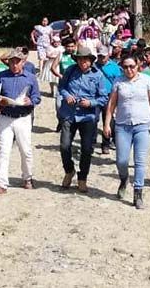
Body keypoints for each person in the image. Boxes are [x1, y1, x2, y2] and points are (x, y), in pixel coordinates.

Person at [104, 55, 150, 209]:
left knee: (140, 161)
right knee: (121, 160)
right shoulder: (118, 81)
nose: (129, 70)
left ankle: (138, 193)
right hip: (123, 125)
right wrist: (107, 124)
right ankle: (123, 179)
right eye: (126, 67)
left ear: (138, 65)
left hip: (142, 125)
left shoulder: (146, 80)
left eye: (132, 66)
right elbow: (112, 103)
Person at [0, 49, 41, 196]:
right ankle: (1, 184)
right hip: (5, 117)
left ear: (23, 62)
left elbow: (37, 97)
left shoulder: (30, 78)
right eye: (11, 61)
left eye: (17, 62)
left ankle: (27, 177)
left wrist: (30, 101)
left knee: (25, 150)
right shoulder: (2, 76)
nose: (14, 65)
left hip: (23, 117)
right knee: (3, 151)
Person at [58, 46, 108, 193]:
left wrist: (91, 103)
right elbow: (62, 87)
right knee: (64, 146)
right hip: (69, 114)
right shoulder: (70, 71)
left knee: (87, 149)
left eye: (85, 60)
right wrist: (67, 95)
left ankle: (82, 178)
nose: (82, 63)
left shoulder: (98, 75)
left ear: (90, 61)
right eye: (80, 60)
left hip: (88, 117)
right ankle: (69, 170)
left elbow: (104, 97)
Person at [95, 46, 123, 154]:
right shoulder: (93, 66)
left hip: (109, 96)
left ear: (108, 55)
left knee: (109, 121)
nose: (101, 58)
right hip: (96, 96)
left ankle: (105, 144)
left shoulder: (115, 67)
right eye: (99, 56)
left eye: (103, 56)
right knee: (94, 119)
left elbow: (119, 82)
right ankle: (91, 140)